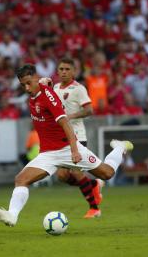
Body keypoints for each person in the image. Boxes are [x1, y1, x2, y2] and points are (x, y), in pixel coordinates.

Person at [0, 64, 133, 227]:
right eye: (23, 85)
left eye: (29, 83)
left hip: (66, 149)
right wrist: (44, 83)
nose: (27, 88)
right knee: (21, 179)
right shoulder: (38, 90)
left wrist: (74, 150)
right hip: (47, 154)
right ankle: (12, 215)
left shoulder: (48, 96)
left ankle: (119, 147)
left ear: (35, 78)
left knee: (106, 173)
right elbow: (44, 83)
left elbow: (65, 123)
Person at [53, 58, 104, 219]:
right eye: (61, 69)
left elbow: (89, 110)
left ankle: (94, 208)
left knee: (76, 173)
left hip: (77, 137)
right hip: (62, 138)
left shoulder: (78, 89)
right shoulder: (55, 87)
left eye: (67, 69)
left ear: (74, 71)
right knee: (61, 176)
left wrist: (70, 116)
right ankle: (93, 184)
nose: (64, 72)